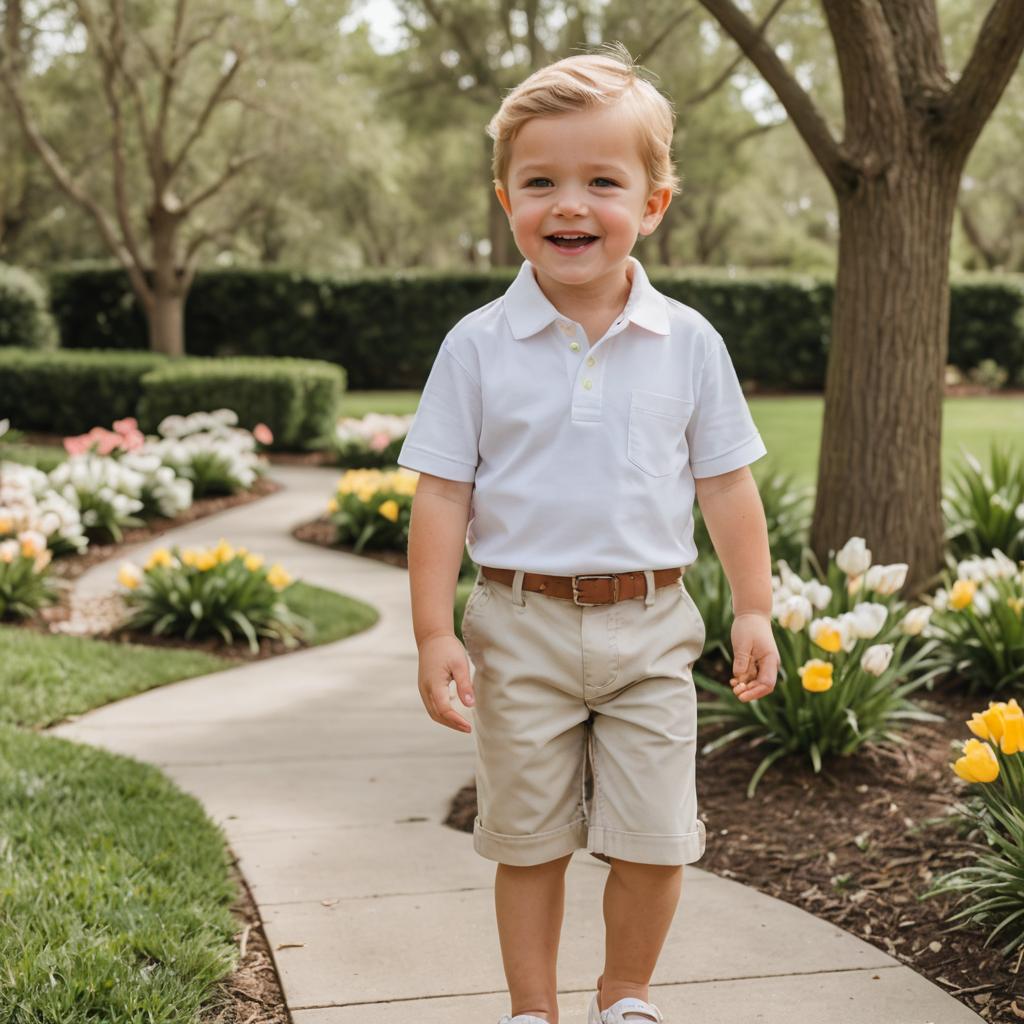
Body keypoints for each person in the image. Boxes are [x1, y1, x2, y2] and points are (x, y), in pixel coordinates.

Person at [398, 40, 780, 1024]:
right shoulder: (476, 345)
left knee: (657, 837)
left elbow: (726, 484)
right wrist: (434, 632)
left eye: (601, 180)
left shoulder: (687, 341)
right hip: (516, 625)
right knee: (524, 839)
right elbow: (440, 495)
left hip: (652, 626)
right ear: (505, 197)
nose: (569, 204)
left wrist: (753, 608)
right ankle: (533, 1009)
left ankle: (626, 999)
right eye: (541, 181)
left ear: (653, 202)